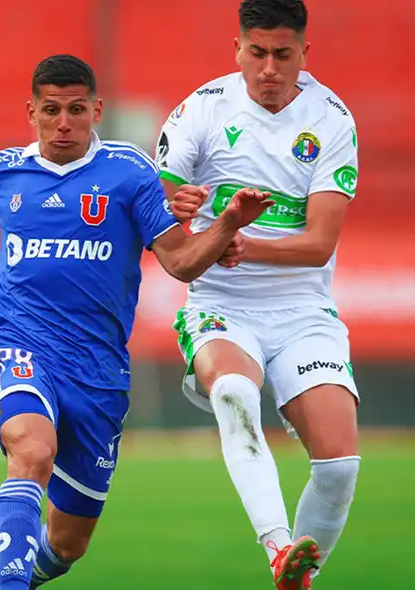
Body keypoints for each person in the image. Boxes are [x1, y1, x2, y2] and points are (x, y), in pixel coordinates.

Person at [0, 54, 272, 590]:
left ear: (96, 110)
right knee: (32, 451)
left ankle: (29, 576)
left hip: (98, 373)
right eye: (51, 110)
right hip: (21, 348)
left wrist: (227, 224)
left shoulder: (130, 173)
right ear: (31, 111)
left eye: (76, 110)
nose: (63, 123)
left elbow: (179, 261)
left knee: (66, 545)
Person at [156, 1, 361, 588]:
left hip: (303, 313)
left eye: (283, 54)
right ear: (238, 49)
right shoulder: (201, 110)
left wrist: (237, 238)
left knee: (340, 467)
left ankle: (298, 577)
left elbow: (319, 242)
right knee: (236, 396)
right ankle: (277, 546)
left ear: (304, 53)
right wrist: (177, 207)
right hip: (221, 305)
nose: (269, 68)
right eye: (257, 52)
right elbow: (160, 213)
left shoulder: (330, 119)